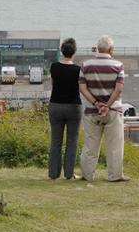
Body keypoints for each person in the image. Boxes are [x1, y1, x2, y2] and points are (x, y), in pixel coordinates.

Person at [79, 35, 128, 182]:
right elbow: (118, 89)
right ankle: (114, 176)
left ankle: (88, 175)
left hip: (91, 111)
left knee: (90, 145)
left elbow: (82, 88)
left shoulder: (85, 65)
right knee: (114, 145)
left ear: (97, 48)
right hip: (113, 110)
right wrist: (107, 105)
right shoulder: (118, 66)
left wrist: (96, 103)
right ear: (111, 49)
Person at [48, 38, 83, 180]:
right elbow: (81, 88)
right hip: (74, 106)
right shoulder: (77, 70)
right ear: (74, 52)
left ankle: (53, 174)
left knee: (55, 141)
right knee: (72, 141)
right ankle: (69, 174)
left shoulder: (54, 67)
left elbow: (52, 84)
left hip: (55, 105)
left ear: (62, 51)